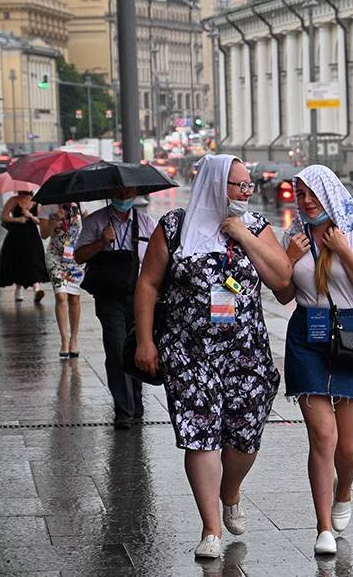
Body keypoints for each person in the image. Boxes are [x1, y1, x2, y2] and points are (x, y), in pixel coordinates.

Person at [133, 154, 291, 560]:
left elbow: (283, 281)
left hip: (246, 351)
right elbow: (148, 284)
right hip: (189, 352)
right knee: (199, 435)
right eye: (239, 185)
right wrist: (146, 341)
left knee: (245, 435)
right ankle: (211, 529)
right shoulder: (175, 228)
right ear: (216, 186)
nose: (247, 192)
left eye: (249, 185)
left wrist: (243, 235)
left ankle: (231, 490)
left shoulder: (255, 225)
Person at [273, 165, 353, 556]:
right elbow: (284, 295)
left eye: (311, 195)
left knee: (349, 449)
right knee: (323, 436)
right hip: (307, 333)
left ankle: (345, 489)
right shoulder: (295, 235)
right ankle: (322, 527)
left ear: (329, 194)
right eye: (299, 195)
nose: (304, 202)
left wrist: (344, 252)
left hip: (351, 334)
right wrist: (288, 257)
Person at [75, 187, 156, 429]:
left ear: (135, 194)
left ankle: (136, 402)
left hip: (140, 295)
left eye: (128, 192)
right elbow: (79, 256)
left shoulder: (146, 223)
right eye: (118, 193)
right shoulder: (96, 221)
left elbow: (159, 259)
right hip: (109, 296)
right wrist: (101, 242)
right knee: (116, 348)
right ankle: (124, 409)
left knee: (138, 347)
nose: (123, 198)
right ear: (110, 194)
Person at [39, 202, 86, 360]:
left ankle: (74, 339)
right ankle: (64, 340)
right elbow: (44, 234)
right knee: (61, 295)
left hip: (75, 258)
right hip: (55, 257)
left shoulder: (79, 204)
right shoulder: (47, 207)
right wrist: (54, 221)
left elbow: (89, 224)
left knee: (74, 297)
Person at [0, 190, 50, 302]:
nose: (22, 194)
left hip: (32, 237)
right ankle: (18, 289)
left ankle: (37, 290)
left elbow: (40, 221)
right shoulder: (13, 200)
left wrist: (29, 215)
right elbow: (4, 216)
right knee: (17, 261)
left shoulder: (36, 203)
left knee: (34, 261)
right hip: (15, 236)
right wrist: (17, 219)